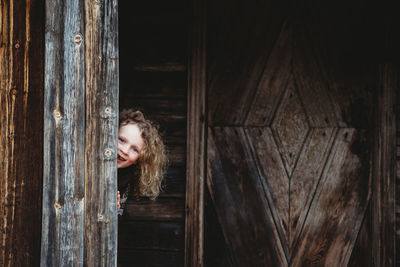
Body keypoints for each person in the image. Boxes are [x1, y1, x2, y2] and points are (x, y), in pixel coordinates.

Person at [116, 109, 167, 215]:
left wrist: (113, 211)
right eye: (121, 140)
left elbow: (118, 216)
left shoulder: (126, 181)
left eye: (135, 150)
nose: (125, 151)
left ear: (140, 159)